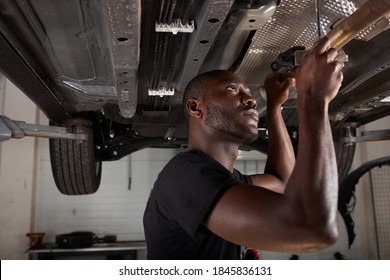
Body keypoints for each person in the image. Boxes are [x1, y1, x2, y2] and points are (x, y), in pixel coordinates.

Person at [143, 37, 344, 259]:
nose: (250, 99)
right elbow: (313, 228)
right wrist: (312, 97)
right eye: (232, 89)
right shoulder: (186, 176)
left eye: (248, 92)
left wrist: (275, 107)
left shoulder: (225, 179)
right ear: (195, 107)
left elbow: (281, 182)